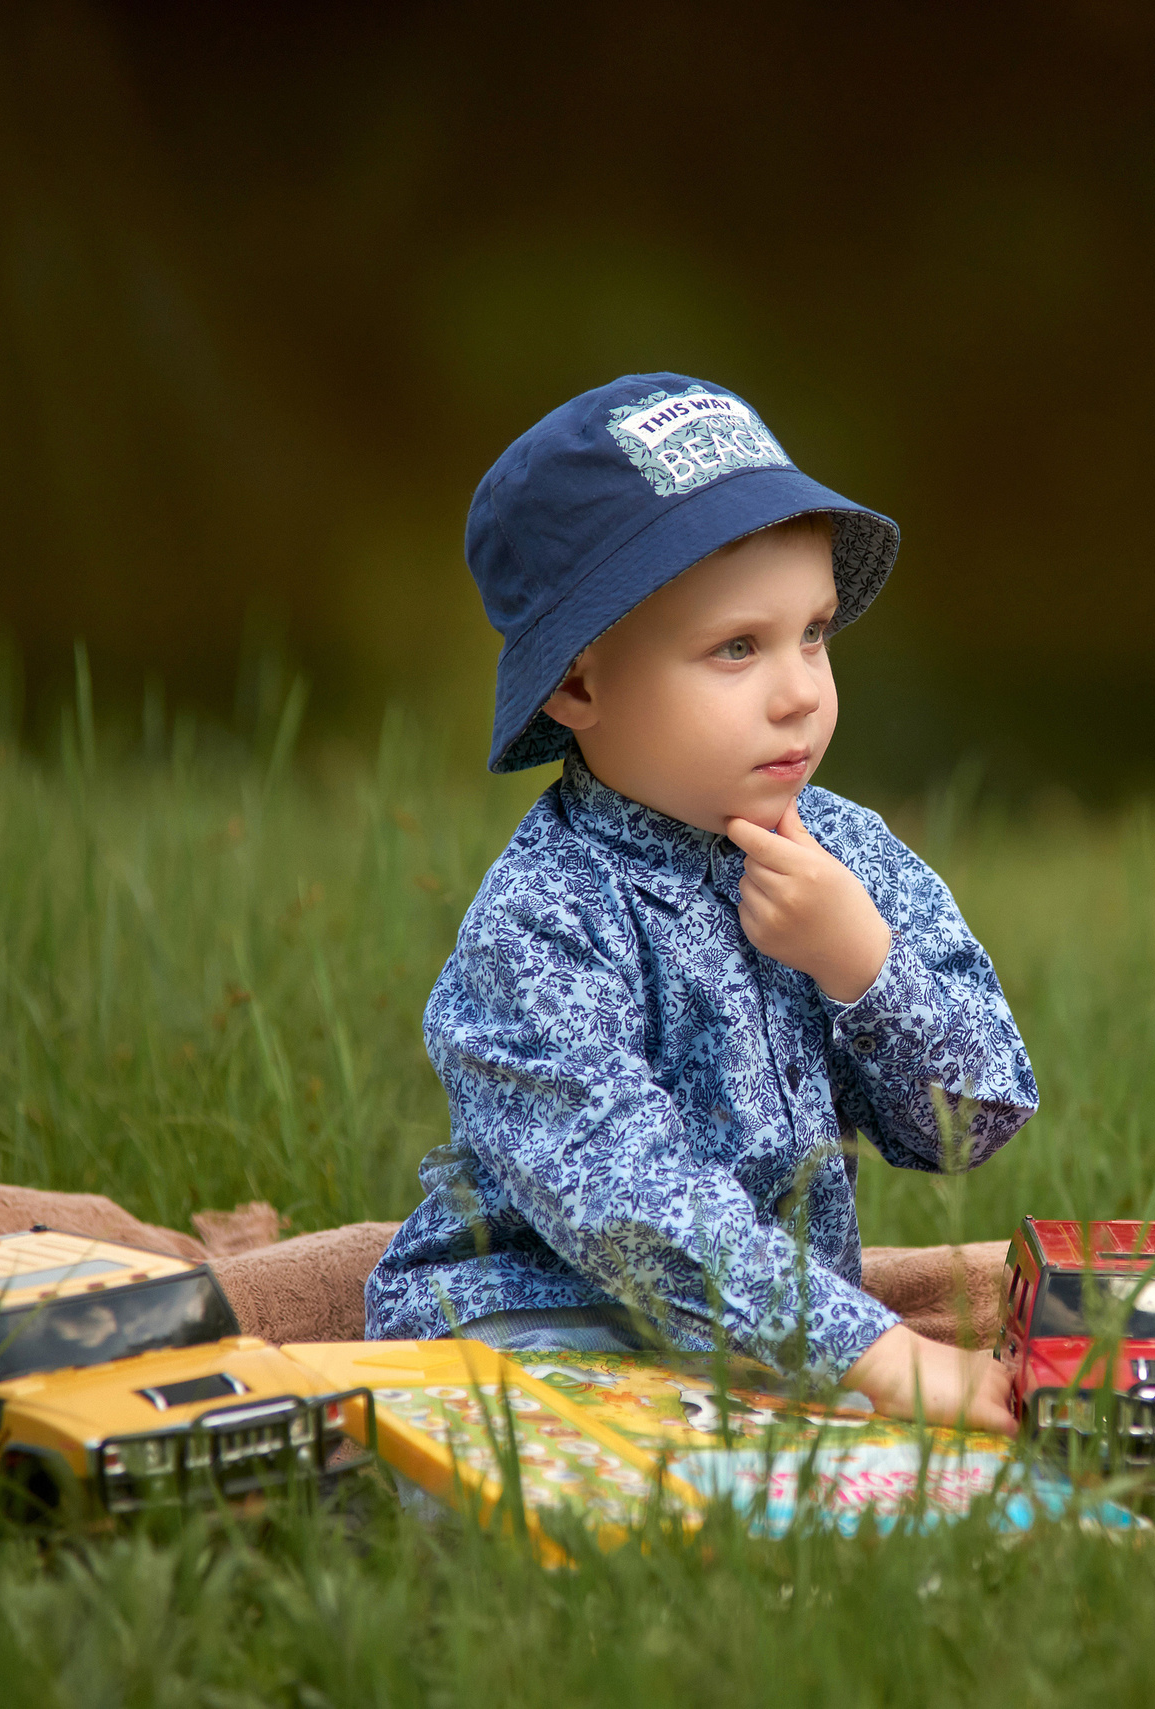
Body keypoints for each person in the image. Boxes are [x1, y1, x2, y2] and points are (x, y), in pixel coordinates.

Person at [364, 375, 1035, 1432]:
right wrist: (875, 1353)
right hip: (541, 1322)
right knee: (538, 1446)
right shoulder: (543, 917)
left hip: (782, 1349)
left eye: (813, 632)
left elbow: (977, 1119)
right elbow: (624, 1196)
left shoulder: (850, 857)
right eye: (737, 647)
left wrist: (865, 970)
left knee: (897, 1466)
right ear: (578, 685)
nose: (800, 691)